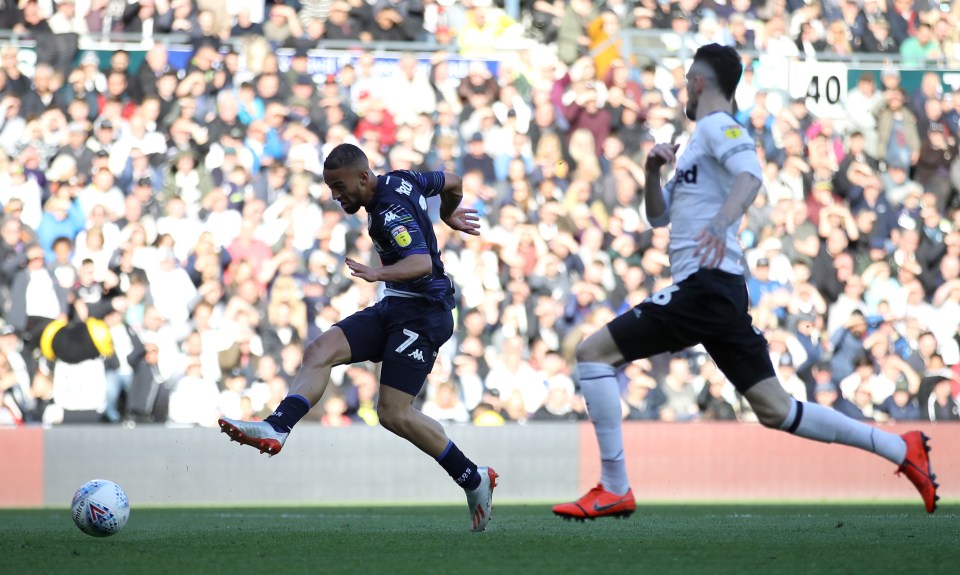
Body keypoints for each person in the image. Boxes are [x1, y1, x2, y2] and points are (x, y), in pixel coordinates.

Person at [552, 44, 938, 522]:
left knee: (592, 353)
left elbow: (751, 176)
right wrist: (653, 172)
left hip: (705, 286)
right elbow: (658, 216)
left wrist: (720, 224)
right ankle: (901, 449)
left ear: (698, 83)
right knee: (775, 409)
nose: (682, 92)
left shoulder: (718, 127)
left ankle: (614, 487)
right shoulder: (695, 144)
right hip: (718, 294)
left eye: (685, 82)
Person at [218, 144, 498, 532]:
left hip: (423, 314)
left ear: (364, 177)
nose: (336, 195)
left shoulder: (388, 212)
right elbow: (453, 180)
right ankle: (278, 427)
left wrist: (377, 273)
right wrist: (449, 212)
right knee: (319, 350)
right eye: (331, 187)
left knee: (393, 414)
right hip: (396, 306)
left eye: (339, 186)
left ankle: (473, 478)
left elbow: (419, 263)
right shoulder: (404, 178)